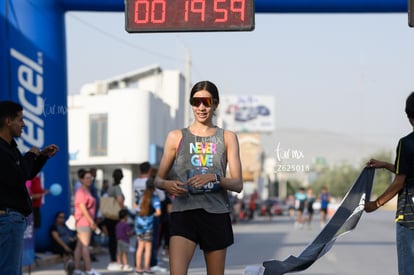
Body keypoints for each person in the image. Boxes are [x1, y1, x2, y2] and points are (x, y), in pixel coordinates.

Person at [154, 80, 243, 275]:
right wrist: (167, 184)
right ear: (191, 104)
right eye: (196, 102)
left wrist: (214, 178)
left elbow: (238, 184)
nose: (201, 107)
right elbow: (157, 180)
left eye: (207, 101)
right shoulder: (175, 137)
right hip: (183, 213)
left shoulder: (227, 137)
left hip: (216, 214)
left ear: (215, 104)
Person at [0, 100, 58, 275]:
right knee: (10, 271)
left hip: (10, 219)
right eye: (20, 119)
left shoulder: (10, 148)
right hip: (8, 218)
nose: (23, 124)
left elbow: (25, 173)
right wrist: (31, 155)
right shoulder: (1, 150)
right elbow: (18, 176)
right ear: (8, 121)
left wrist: (41, 157)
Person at [365, 92, 414, 275]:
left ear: (410, 117)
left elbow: (400, 182)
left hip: (410, 219)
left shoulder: (407, 143)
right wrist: (386, 165)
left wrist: (375, 204)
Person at [133, 161, 166, 273]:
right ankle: (151, 264)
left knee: (139, 244)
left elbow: (135, 202)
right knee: (151, 243)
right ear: (150, 170)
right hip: (150, 216)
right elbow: (162, 197)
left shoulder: (136, 182)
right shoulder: (152, 184)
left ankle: (138, 266)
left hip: (139, 216)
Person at [73, 169, 101, 275]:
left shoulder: (86, 190)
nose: (89, 180)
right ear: (81, 179)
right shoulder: (81, 191)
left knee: (79, 246)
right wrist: (91, 222)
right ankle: (88, 270)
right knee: (85, 246)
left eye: (91, 178)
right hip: (84, 221)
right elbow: (83, 208)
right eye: (87, 178)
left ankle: (77, 269)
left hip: (83, 221)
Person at [135, 177, 162, 275]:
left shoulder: (141, 195)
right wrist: (151, 216)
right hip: (148, 225)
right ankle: (147, 268)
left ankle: (138, 268)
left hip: (138, 224)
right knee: (148, 248)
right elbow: (158, 212)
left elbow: (135, 207)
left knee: (140, 247)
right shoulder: (154, 197)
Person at [105, 168, 126, 271]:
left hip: (109, 216)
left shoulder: (110, 187)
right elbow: (119, 200)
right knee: (116, 239)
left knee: (112, 239)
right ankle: (114, 260)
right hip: (115, 216)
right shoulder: (117, 188)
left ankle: (114, 260)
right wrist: (123, 211)